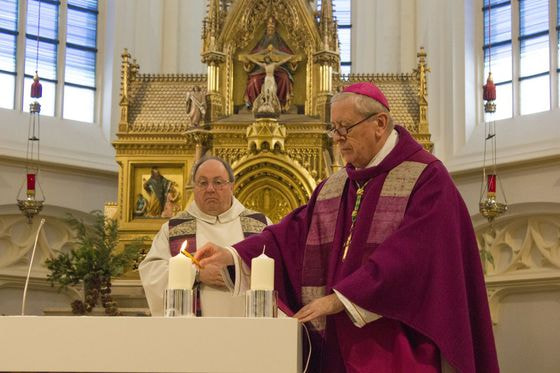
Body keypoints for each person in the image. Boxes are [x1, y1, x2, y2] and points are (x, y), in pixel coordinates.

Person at [195, 83, 500, 372]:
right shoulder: (337, 185)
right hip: (335, 344)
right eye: (334, 129)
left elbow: (410, 257)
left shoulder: (427, 179)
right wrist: (233, 255)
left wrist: (340, 298)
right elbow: (292, 235)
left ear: (379, 123)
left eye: (345, 128)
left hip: (398, 344)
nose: (336, 138)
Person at [139, 156, 271, 317]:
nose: (210, 189)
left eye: (218, 182)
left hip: (250, 329)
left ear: (232, 186)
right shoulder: (174, 228)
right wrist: (195, 274)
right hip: (192, 333)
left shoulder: (260, 225)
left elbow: (280, 270)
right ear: (194, 188)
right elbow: (151, 273)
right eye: (203, 183)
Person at [244, 17, 295, 109]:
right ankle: (254, 105)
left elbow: (289, 56)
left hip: (278, 69)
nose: (270, 30)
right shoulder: (261, 43)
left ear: (275, 29)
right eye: (269, 28)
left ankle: (281, 105)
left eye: (272, 28)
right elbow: (253, 56)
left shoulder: (280, 42)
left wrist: (291, 60)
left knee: (284, 78)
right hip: (261, 70)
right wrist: (248, 61)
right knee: (253, 81)